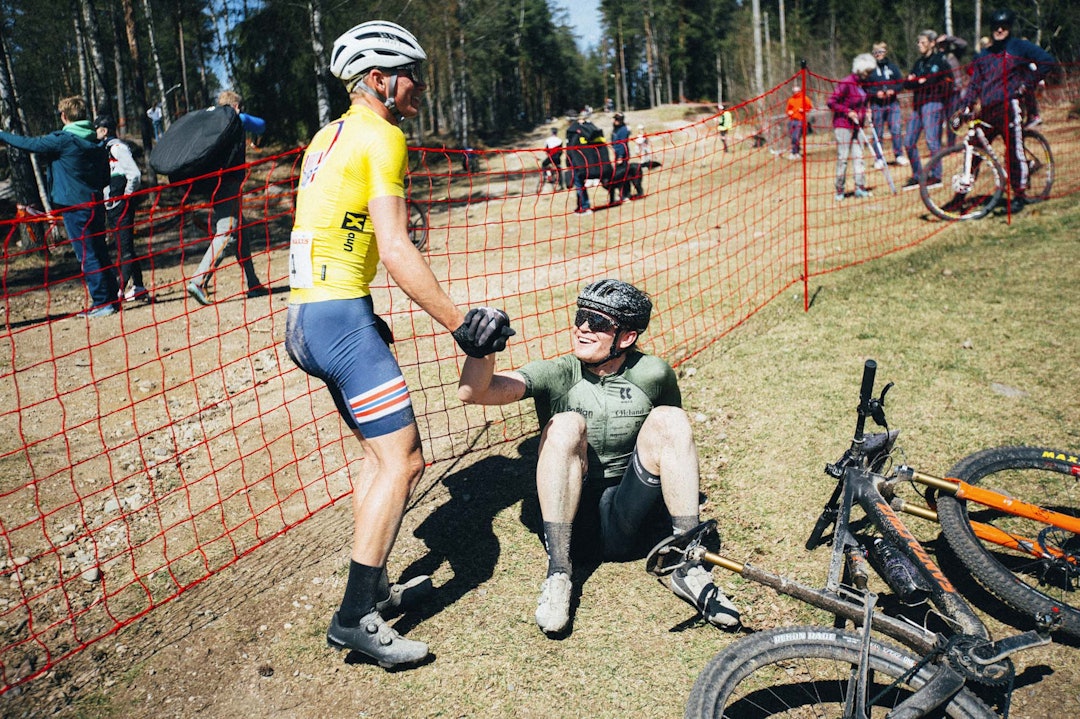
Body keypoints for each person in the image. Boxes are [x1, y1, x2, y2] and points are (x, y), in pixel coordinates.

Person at [285, 20, 514, 669]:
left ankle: (376, 585)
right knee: (405, 461)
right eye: (410, 71)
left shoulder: (327, 135)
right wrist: (458, 321)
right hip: (339, 318)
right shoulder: (383, 136)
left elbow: (326, 228)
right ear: (379, 79)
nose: (420, 82)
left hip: (308, 315)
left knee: (377, 455)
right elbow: (393, 246)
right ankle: (354, 615)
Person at [457, 279, 740, 636]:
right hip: (576, 527)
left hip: (633, 521)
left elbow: (673, 444)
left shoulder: (654, 373)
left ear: (626, 337)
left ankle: (685, 562)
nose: (583, 328)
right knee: (565, 425)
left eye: (599, 322)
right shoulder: (558, 372)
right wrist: (480, 350)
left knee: (672, 419)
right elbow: (474, 392)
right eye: (581, 317)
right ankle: (559, 572)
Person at [0, 96, 119, 317]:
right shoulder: (96, 141)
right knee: (100, 251)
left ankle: (102, 303)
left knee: (87, 254)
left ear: (64, 116)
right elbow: (104, 179)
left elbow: (30, 144)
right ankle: (112, 298)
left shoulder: (64, 140)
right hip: (95, 203)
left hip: (75, 206)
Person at [961, 8, 1056, 212]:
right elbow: (974, 84)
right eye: (996, 26)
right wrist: (965, 107)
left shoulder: (1019, 47)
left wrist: (1027, 84)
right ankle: (961, 193)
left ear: (1010, 27)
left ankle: (1020, 194)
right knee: (974, 147)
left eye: (1004, 26)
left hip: (1009, 105)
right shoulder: (983, 55)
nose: (1000, 30)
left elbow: (1048, 61)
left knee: (1013, 149)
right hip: (987, 109)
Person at [185, 90, 269, 305]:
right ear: (236, 106)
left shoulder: (209, 123)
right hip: (229, 183)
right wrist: (241, 116)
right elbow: (261, 125)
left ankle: (253, 283)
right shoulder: (235, 118)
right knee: (228, 232)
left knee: (241, 231)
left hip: (214, 183)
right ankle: (198, 280)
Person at [94, 114, 150, 303]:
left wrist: (125, 196)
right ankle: (139, 287)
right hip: (113, 204)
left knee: (124, 248)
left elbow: (134, 174)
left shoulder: (117, 148)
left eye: (97, 129)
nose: (95, 133)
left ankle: (118, 291)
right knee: (125, 246)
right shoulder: (107, 149)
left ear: (104, 130)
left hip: (120, 205)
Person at [902, 30, 953, 190]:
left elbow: (930, 81)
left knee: (932, 140)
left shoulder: (939, 60)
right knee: (909, 142)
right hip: (918, 104)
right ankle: (918, 175)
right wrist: (919, 81)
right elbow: (907, 83)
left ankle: (936, 176)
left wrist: (918, 80)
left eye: (923, 42)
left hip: (933, 102)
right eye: (919, 43)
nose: (920, 45)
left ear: (932, 43)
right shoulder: (919, 63)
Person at [827, 54, 875, 202]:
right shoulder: (847, 83)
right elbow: (831, 102)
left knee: (859, 156)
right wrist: (847, 112)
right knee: (843, 157)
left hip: (858, 125)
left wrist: (867, 110)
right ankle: (839, 189)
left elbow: (864, 101)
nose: (869, 75)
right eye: (867, 71)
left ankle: (860, 187)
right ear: (860, 70)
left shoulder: (864, 84)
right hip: (843, 125)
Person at [867, 42, 908, 168]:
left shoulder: (893, 67)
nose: (879, 54)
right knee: (877, 132)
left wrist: (893, 90)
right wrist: (875, 93)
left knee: (896, 129)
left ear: (885, 52)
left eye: (881, 51)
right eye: (876, 52)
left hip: (892, 103)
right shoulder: (869, 69)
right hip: (877, 105)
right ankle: (878, 158)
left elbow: (901, 83)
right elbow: (865, 87)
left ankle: (899, 155)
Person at [935, 34, 970, 147]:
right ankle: (938, 145)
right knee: (939, 120)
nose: (941, 47)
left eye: (943, 44)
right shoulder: (936, 58)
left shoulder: (954, 55)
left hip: (955, 91)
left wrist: (948, 38)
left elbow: (964, 44)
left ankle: (951, 144)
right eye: (939, 44)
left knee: (953, 118)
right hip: (940, 93)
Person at [785, 84, 812, 159]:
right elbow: (787, 109)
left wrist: (803, 110)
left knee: (796, 137)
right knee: (793, 137)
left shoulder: (805, 98)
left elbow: (809, 107)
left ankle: (795, 152)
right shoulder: (791, 99)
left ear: (800, 91)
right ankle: (795, 152)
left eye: (797, 91)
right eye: (794, 91)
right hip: (792, 120)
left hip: (800, 120)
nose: (796, 92)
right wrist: (789, 112)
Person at [609, 112, 631, 203]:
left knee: (624, 175)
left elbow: (622, 144)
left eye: (617, 119)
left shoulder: (623, 130)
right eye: (615, 119)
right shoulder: (615, 129)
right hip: (617, 154)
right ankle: (621, 194)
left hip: (622, 155)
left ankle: (626, 195)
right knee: (618, 176)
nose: (615, 121)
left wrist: (621, 156)